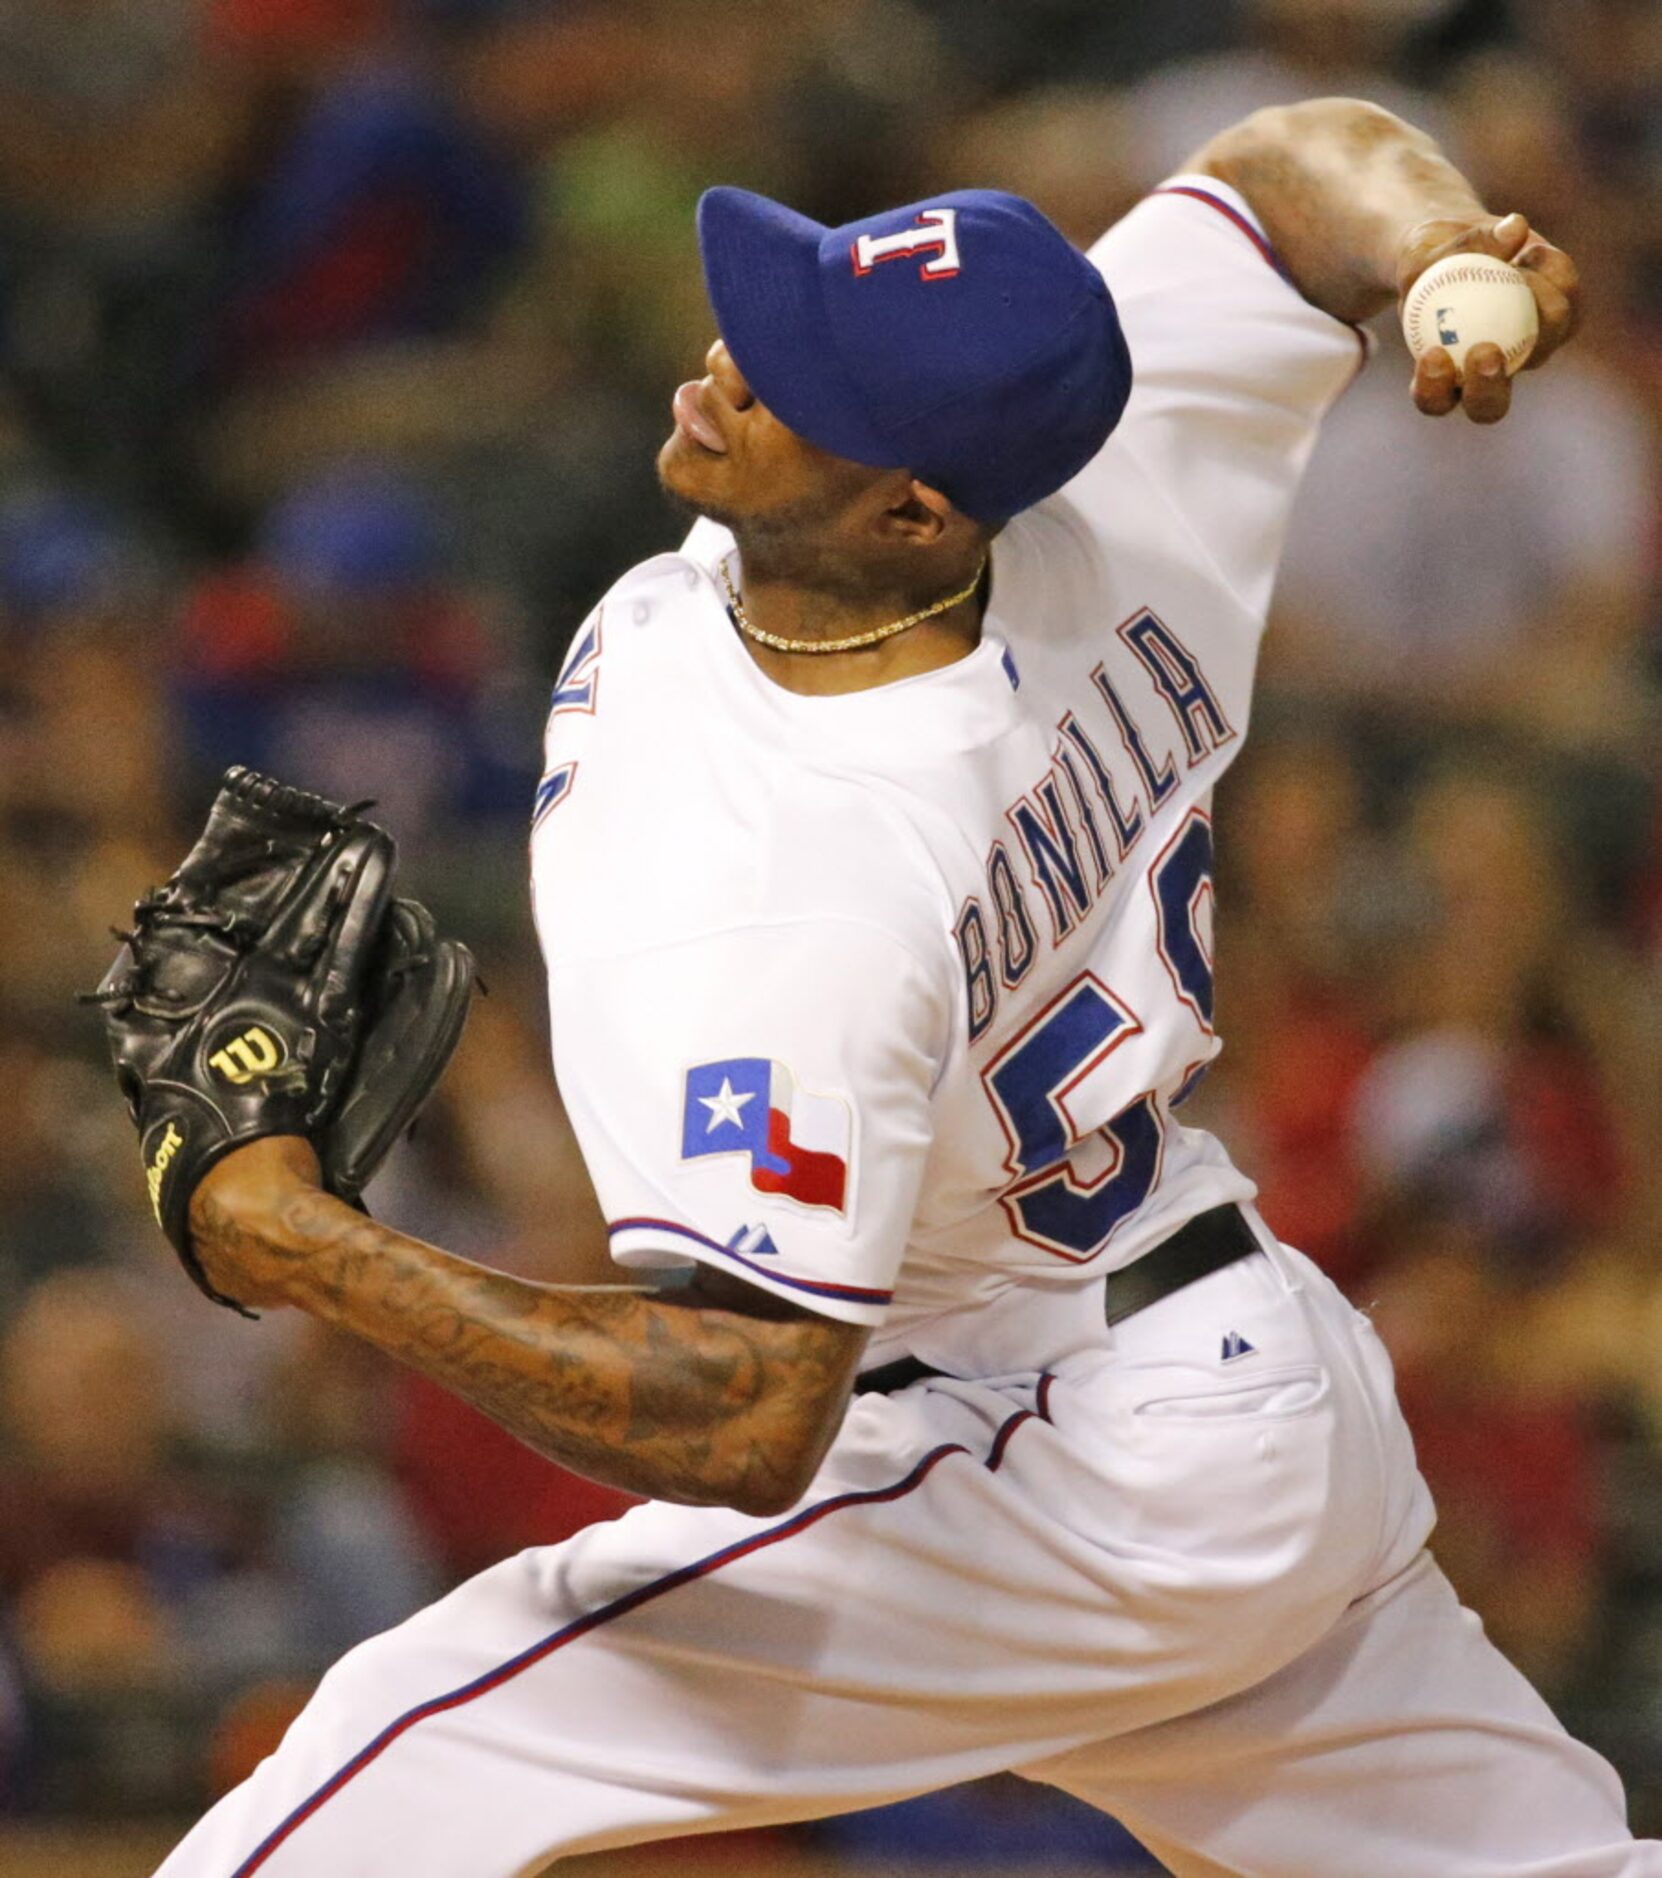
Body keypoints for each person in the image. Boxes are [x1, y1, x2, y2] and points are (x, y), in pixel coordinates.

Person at [151, 97, 1652, 1877]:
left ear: (911, 510)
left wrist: (300, 1243)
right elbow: (1289, 160)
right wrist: (1440, 249)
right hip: (1216, 1377)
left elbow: (744, 1409)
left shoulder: (814, 880)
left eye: (794, 379)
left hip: (1069, 1456)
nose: (724, 361)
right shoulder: (1102, 449)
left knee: (403, 1748)